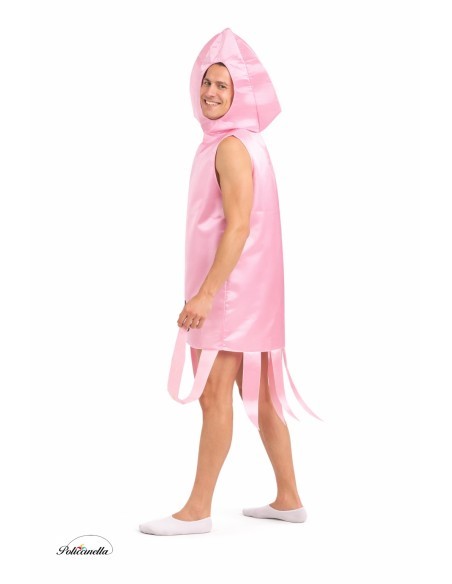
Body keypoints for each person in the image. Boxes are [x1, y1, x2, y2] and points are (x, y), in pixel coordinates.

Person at [139, 28, 322, 537]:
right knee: (260, 395)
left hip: (229, 294)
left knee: (214, 393)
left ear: (241, 91)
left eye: (223, 85)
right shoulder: (242, 142)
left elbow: (238, 227)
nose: (211, 92)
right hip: (250, 292)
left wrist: (204, 294)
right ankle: (289, 499)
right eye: (206, 83)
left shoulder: (230, 148)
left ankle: (197, 511)